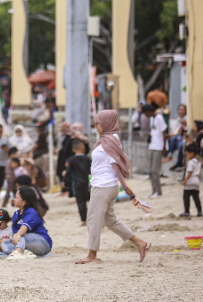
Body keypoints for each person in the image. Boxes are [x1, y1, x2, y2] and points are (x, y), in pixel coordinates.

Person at [76, 110, 151, 264]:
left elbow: (115, 166)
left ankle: (92, 255)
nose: (96, 125)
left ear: (107, 123)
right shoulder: (109, 139)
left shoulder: (110, 141)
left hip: (104, 186)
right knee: (111, 221)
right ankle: (140, 243)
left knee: (93, 220)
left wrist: (128, 189)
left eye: (98, 123)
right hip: (105, 186)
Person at [3, 186, 52, 259]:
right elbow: (15, 233)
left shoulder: (32, 212)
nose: (14, 200)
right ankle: (27, 253)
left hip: (42, 243)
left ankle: (19, 251)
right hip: (26, 242)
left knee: (20, 235)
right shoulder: (16, 213)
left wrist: (18, 235)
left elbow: (24, 228)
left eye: (16, 198)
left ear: (24, 201)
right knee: (4, 244)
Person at [142, 104, 166, 197]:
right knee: (151, 171)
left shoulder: (159, 118)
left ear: (149, 111)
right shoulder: (152, 118)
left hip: (158, 147)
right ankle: (154, 190)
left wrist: (164, 147)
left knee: (155, 170)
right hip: (152, 146)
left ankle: (158, 191)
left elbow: (164, 132)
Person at [66, 139, 92, 225]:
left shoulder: (72, 160)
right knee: (91, 201)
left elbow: (68, 172)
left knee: (81, 202)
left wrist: (64, 181)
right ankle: (92, 218)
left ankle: (84, 220)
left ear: (73, 150)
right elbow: (92, 170)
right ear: (83, 148)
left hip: (77, 183)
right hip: (87, 182)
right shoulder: (87, 158)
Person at [181, 144, 201, 217]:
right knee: (196, 198)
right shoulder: (198, 162)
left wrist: (185, 180)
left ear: (191, 153)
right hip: (196, 182)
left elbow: (189, 172)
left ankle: (186, 212)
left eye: (187, 155)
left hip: (190, 182)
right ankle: (199, 211)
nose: (187, 157)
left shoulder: (191, 162)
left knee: (186, 197)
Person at [165, 104, 188, 169]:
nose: (181, 111)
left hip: (183, 136)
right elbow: (176, 129)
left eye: (182, 110)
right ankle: (170, 155)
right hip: (179, 135)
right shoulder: (179, 119)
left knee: (179, 145)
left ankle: (178, 162)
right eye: (179, 110)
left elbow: (183, 130)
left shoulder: (186, 119)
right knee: (171, 139)